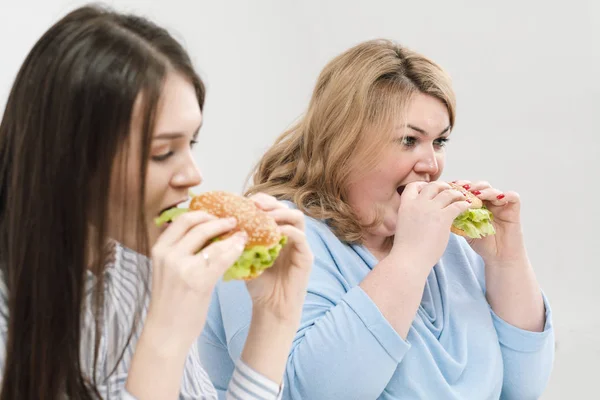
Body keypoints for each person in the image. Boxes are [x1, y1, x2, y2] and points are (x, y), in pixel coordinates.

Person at [199, 39, 555, 399]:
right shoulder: (273, 235)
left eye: (439, 142)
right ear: (346, 142)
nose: (431, 165)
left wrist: (506, 260)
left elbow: (523, 389)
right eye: (408, 140)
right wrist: (410, 262)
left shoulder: (445, 244)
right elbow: (305, 393)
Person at [0, 5, 312, 400]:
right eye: (164, 152)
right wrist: (166, 336)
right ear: (72, 159)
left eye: (191, 143)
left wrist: (275, 318)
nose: (193, 175)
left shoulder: (141, 267)